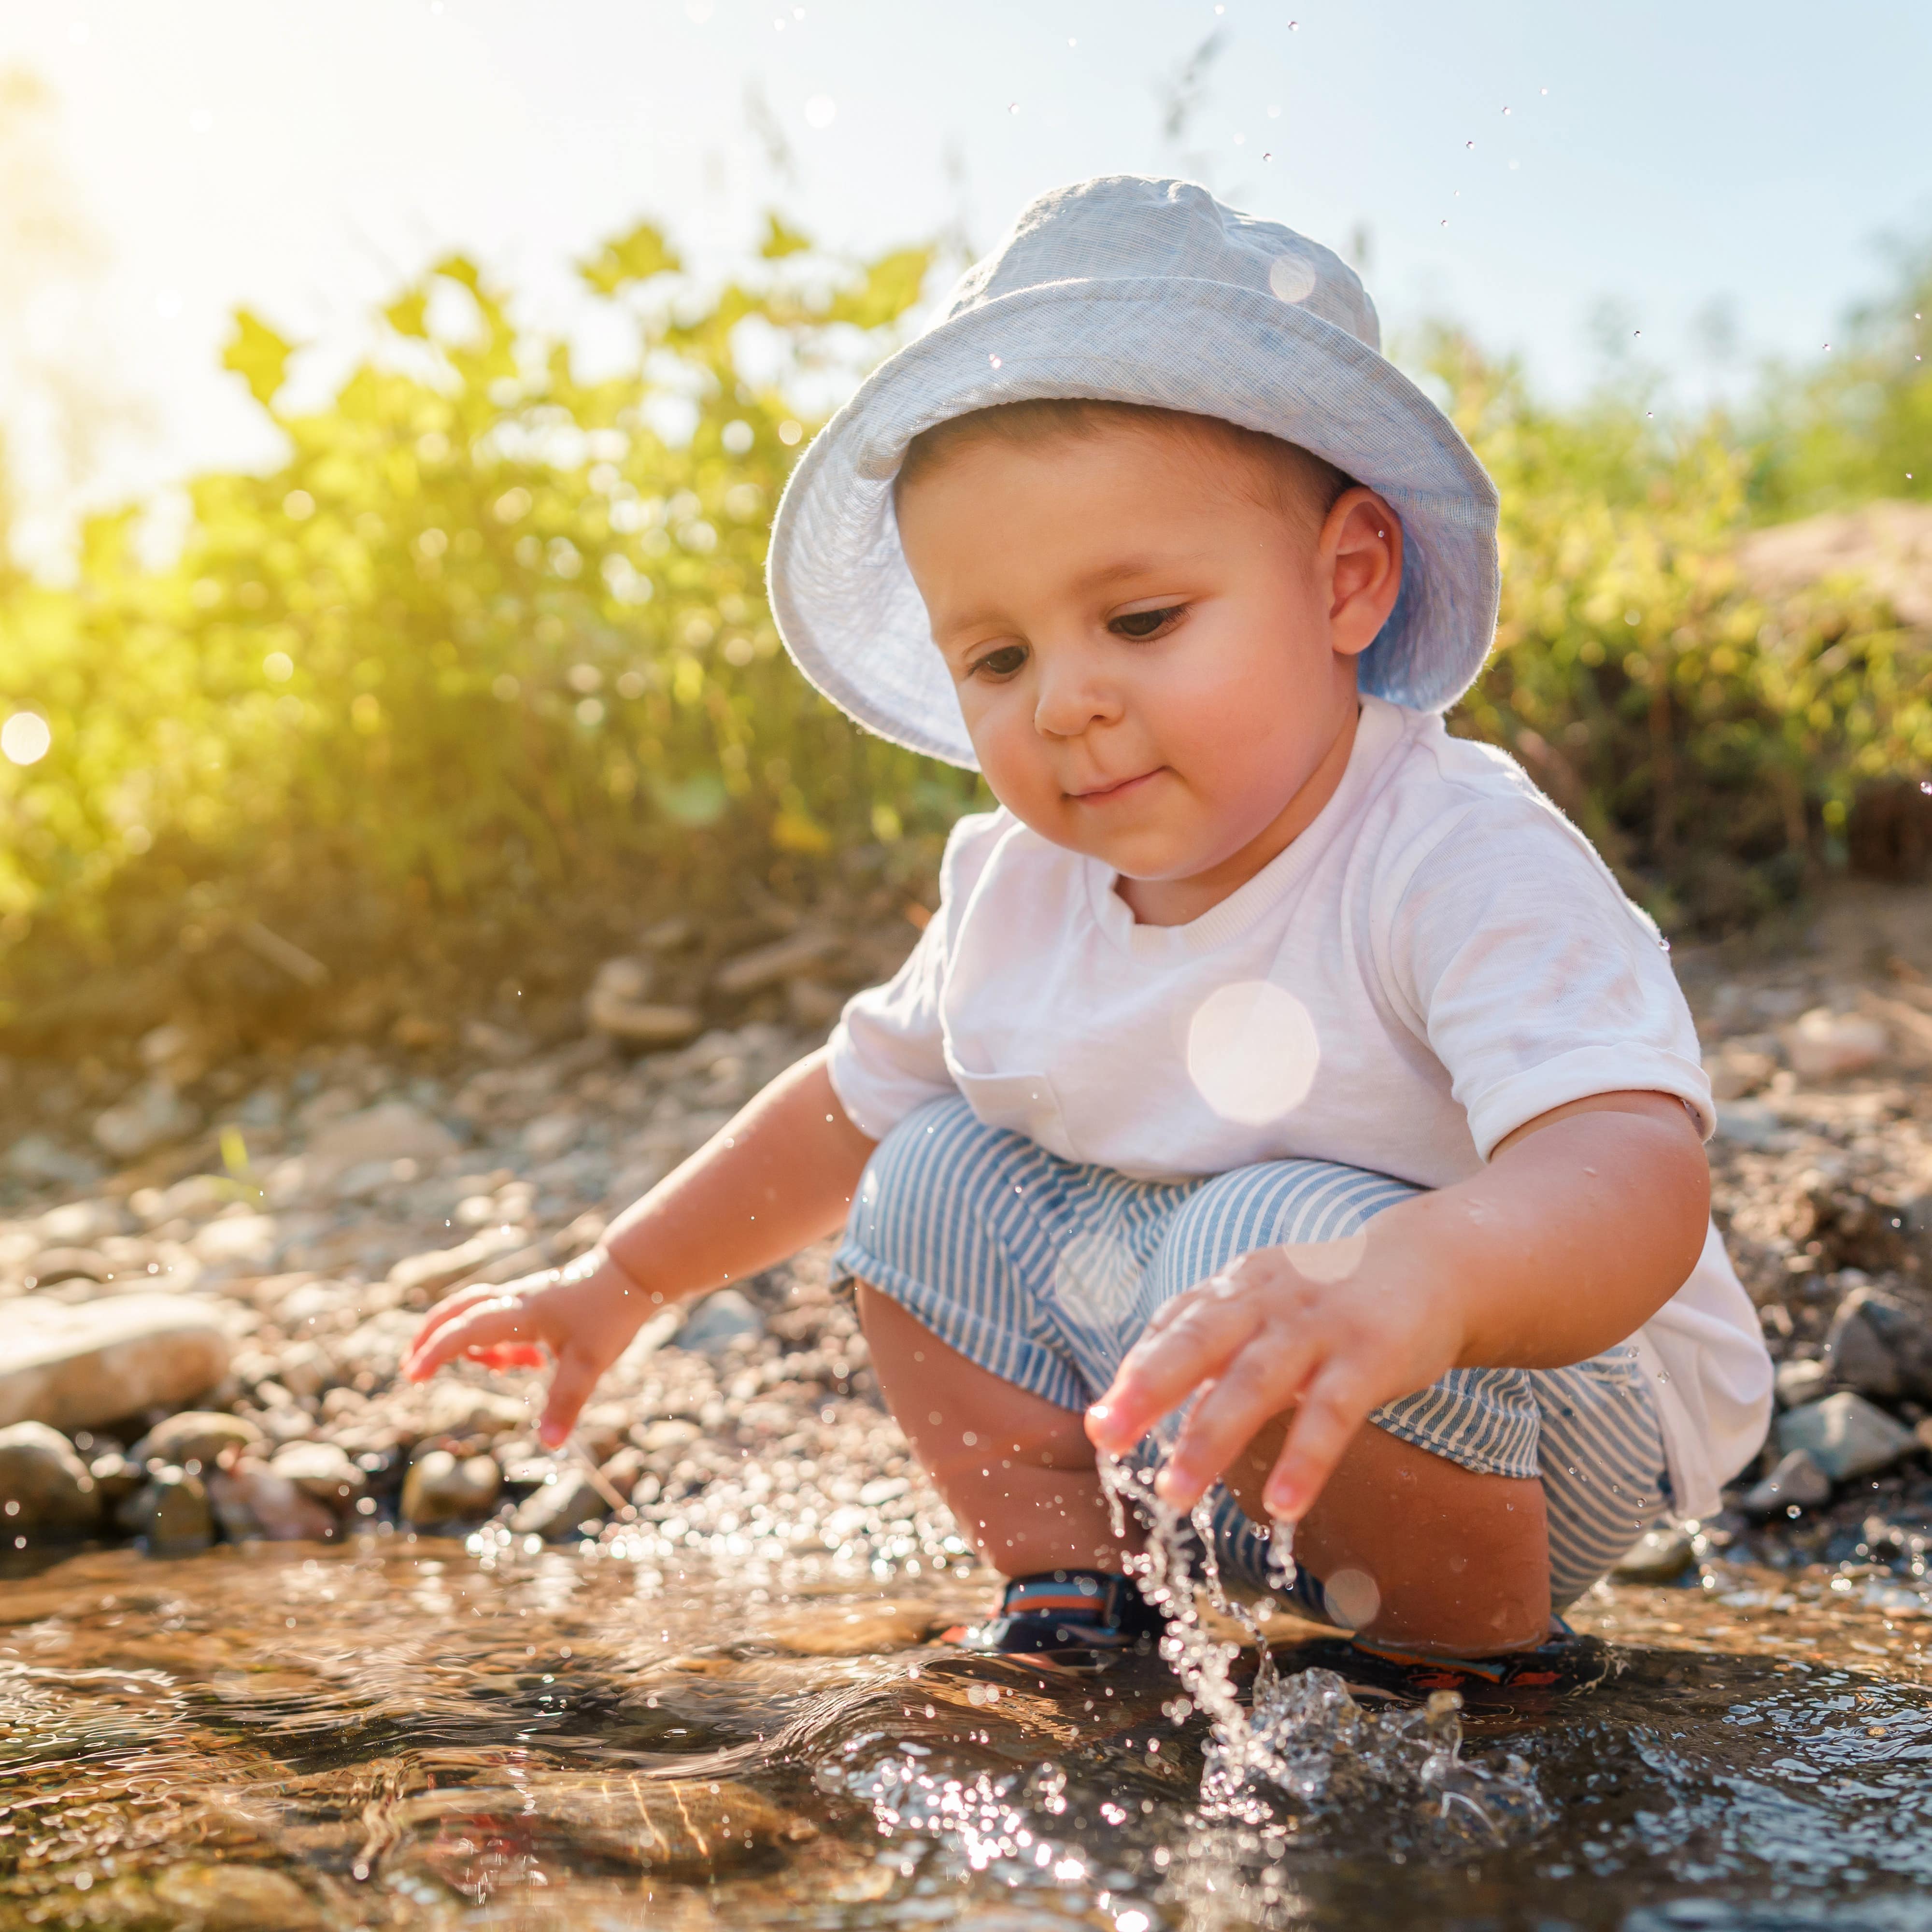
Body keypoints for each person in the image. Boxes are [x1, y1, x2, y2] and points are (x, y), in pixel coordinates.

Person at [406, 176, 1771, 1687]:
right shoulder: (1017, 884)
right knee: (926, 1180)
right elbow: (841, 1112)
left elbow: (1634, 1177)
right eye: (997, 656)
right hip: (1204, 1404)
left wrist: (1431, 1276)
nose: (1065, 702)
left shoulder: (1452, 850)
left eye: (1140, 623)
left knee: (1275, 1241)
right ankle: (1083, 1596)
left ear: (1347, 580)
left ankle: (1474, 1666)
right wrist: (621, 1282)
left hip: (1526, 1391)